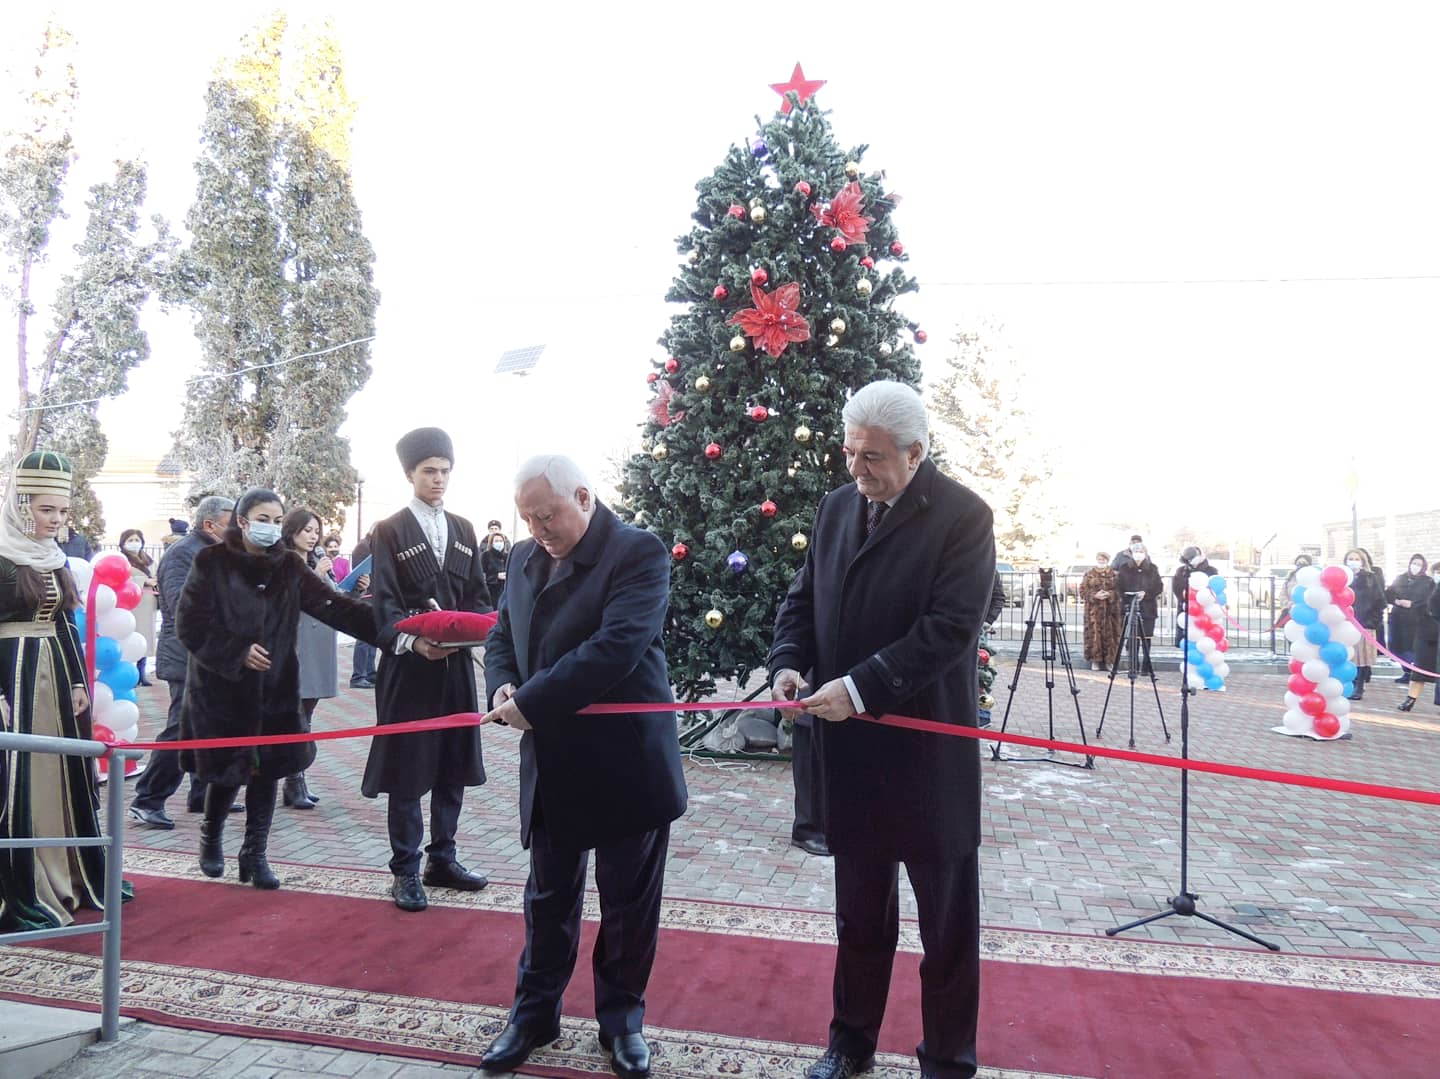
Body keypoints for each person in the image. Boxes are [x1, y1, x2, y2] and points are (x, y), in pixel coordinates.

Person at [769, 381, 995, 1079]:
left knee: (946, 928)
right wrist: (786, 662)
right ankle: (850, 1042)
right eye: (849, 451)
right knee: (859, 917)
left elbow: (949, 630)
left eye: (871, 456)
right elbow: (802, 598)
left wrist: (862, 686)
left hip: (928, 757)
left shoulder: (964, 516)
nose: (856, 468)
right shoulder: (838, 506)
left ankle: (948, 1059)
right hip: (853, 756)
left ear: (916, 452)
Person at [480, 454, 687, 1078]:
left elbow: (616, 647)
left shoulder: (637, 552)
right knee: (547, 897)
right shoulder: (522, 556)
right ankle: (533, 1014)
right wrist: (501, 686)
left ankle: (621, 1022)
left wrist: (532, 702)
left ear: (584, 496)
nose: (540, 529)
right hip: (552, 759)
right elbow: (500, 635)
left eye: (549, 515)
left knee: (626, 903)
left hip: (626, 759)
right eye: (529, 519)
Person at [176, 488, 376, 889]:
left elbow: (332, 605)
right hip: (222, 690)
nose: (270, 527)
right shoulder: (211, 562)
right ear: (244, 521)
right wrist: (236, 651)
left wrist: (392, 628)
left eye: (276, 519)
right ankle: (211, 838)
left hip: (276, 689)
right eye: (262, 519)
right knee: (226, 772)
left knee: (268, 771)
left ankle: (255, 853)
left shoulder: (288, 566)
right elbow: (189, 624)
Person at [361, 428, 492, 912]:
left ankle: (443, 859)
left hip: (454, 666)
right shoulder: (390, 529)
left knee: (452, 764)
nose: (438, 479)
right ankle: (405, 870)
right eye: (428, 471)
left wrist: (472, 632)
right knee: (409, 769)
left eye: (444, 471)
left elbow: (478, 596)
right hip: (408, 669)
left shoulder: (462, 528)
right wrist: (415, 641)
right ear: (409, 474)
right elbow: (384, 604)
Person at [0, 451, 113, 931]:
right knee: (19, 778)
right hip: (12, 678)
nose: (56, 520)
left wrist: (76, 681)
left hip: (53, 681)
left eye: (62, 511)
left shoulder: (53, 558)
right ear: (22, 505)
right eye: (47, 510)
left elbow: (64, 621)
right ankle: (24, 882)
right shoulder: (2, 557)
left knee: (62, 773)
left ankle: (69, 870)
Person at [127, 496, 235, 831]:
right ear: (210, 525)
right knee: (182, 730)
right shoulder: (182, 555)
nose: (238, 529)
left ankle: (201, 794)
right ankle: (147, 799)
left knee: (208, 726)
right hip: (187, 656)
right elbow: (180, 607)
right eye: (232, 523)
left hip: (209, 655)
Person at [281, 510, 367, 810]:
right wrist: (315, 577)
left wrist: (355, 588)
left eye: (316, 530)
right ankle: (293, 782)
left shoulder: (316, 562)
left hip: (320, 644)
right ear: (291, 531)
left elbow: (334, 599)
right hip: (297, 643)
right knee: (297, 718)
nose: (313, 536)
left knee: (307, 715)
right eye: (306, 530)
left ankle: (296, 780)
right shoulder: (283, 562)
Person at [1114, 542, 1163, 675]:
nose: (1138, 553)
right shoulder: (1125, 568)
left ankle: (1146, 669)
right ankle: (1132, 667)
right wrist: (1126, 597)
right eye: (1136, 551)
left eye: (1141, 551)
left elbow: (1158, 586)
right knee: (1132, 639)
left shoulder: (1152, 568)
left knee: (1146, 639)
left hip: (1148, 608)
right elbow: (1118, 586)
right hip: (1130, 607)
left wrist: (1146, 594)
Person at [118, 528, 159, 685]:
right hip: (132, 602)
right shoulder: (122, 559)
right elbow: (123, 579)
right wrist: (144, 581)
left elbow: (157, 574)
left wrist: (155, 580)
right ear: (123, 543)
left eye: (137, 540)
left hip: (148, 601)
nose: (135, 543)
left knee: (146, 637)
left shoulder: (148, 560)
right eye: (131, 540)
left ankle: (142, 673)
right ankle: (130, 674)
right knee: (131, 636)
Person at [1344, 547, 1385, 700]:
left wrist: (1372, 621)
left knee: (1361, 657)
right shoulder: (1343, 579)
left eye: (1356, 559)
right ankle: (1349, 682)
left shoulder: (1370, 578)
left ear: (1362, 561)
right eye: (1350, 559)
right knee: (1349, 656)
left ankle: (1359, 685)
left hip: (1364, 623)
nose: (1353, 562)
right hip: (1345, 625)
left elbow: (1379, 601)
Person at [1398, 558, 1438, 712]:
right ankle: (1410, 699)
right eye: (1436, 572)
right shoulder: (1426, 587)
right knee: (1420, 668)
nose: (1438, 575)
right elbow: (1417, 604)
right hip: (1426, 634)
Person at [1385, 554, 1431, 685]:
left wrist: (1413, 604)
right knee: (1399, 647)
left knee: (1413, 648)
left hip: (1416, 620)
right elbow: (1388, 594)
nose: (1415, 566)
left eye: (1419, 564)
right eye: (1414, 563)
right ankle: (1405, 672)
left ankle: (1415, 673)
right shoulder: (1401, 578)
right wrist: (1397, 601)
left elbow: (1429, 600)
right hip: (1398, 618)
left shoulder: (1427, 582)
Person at [1079, 551, 1122, 670]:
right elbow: (1082, 591)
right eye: (1099, 559)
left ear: (1107, 560)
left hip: (1111, 610)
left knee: (1112, 636)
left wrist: (1110, 594)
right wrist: (1094, 595)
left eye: (1103, 559)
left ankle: (1110, 661)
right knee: (1094, 635)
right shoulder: (1089, 574)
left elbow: (1120, 590)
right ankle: (1095, 660)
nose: (1101, 561)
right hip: (1094, 611)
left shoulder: (1114, 574)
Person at [348, 528, 377, 689]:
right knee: (365, 637)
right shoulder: (364, 547)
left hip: (371, 594)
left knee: (372, 635)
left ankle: (370, 673)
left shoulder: (369, 545)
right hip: (366, 595)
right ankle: (358, 675)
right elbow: (365, 572)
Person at [1172, 545, 1217, 647]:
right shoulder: (1181, 571)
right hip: (1187, 607)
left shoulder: (1211, 571)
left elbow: (1214, 589)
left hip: (1205, 609)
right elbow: (1176, 587)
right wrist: (1184, 595)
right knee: (1188, 635)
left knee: (1204, 636)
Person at [480, 529, 511, 604]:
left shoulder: (508, 556)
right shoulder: (485, 556)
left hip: (505, 592)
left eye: (501, 541)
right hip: (491, 593)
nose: (499, 543)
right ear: (491, 543)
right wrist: (496, 576)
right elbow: (481, 575)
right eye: (496, 541)